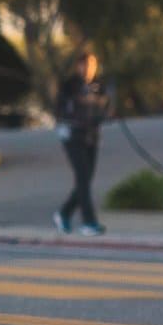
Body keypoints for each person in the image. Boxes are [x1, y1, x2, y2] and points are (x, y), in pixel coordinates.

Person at [55, 47, 108, 236]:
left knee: (86, 179)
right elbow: (63, 111)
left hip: (91, 137)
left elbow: (102, 108)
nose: (89, 69)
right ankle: (89, 222)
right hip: (73, 137)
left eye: (92, 65)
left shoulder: (97, 86)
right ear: (79, 66)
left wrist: (104, 114)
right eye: (86, 65)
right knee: (83, 178)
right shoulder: (69, 86)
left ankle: (64, 213)